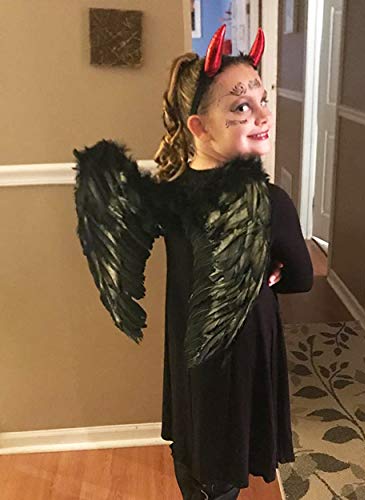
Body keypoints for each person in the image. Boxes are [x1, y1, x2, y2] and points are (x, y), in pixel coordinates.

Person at [73, 24, 313, 500]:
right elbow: (302, 277)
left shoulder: (171, 193)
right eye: (241, 107)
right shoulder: (270, 202)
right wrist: (270, 273)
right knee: (229, 443)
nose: (264, 114)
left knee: (198, 437)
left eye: (263, 100)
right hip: (243, 349)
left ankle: (199, 483)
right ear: (199, 127)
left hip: (190, 347)